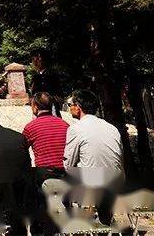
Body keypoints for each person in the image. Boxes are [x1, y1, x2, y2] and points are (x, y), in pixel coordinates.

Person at [63, 89, 124, 225]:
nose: (69, 108)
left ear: (78, 107)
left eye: (69, 104)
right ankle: (105, 220)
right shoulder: (111, 128)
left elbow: (68, 164)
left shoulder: (76, 128)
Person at [22, 92, 69, 184]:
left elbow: (22, 148)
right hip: (66, 173)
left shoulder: (31, 127)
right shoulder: (65, 124)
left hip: (45, 175)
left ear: (35, 106)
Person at [29, 49, 62, 114]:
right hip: (38, 108)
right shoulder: (36, 76)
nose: (34, 62)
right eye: (33, 59)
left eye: (37, 58)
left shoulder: (51, 75)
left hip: (50, 108)